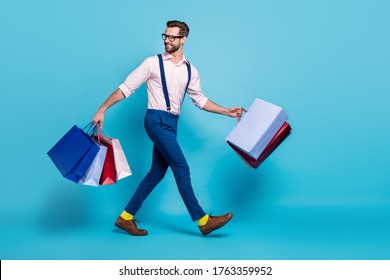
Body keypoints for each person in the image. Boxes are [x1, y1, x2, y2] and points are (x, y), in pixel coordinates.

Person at [92, 20, 242, 236]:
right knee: (181, 167)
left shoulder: (191, 70)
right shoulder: (152, 63)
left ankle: (125, 217)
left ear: (184, 39)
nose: (167, 40)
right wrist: (102, 108)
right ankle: (203, 220)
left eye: (172, 37)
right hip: (155, 121)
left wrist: (226, 111)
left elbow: (200, 100)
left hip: (172, 125)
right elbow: (125, 88)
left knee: (156, 173)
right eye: (165, 36)